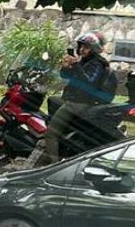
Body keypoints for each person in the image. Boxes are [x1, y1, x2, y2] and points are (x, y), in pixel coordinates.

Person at [39, 31, 115, 165]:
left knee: (50, 134)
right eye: (81, 46)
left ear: (94, 49)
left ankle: (53, 164)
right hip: (74, 99)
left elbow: (88, 82)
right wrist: (66, 67)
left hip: (80, 102)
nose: (81, 50)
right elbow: (68, 77)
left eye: (86, 47)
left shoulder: (96, 63)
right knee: (53, 100)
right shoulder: (86, 61)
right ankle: (64, 137)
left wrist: (76, 65)